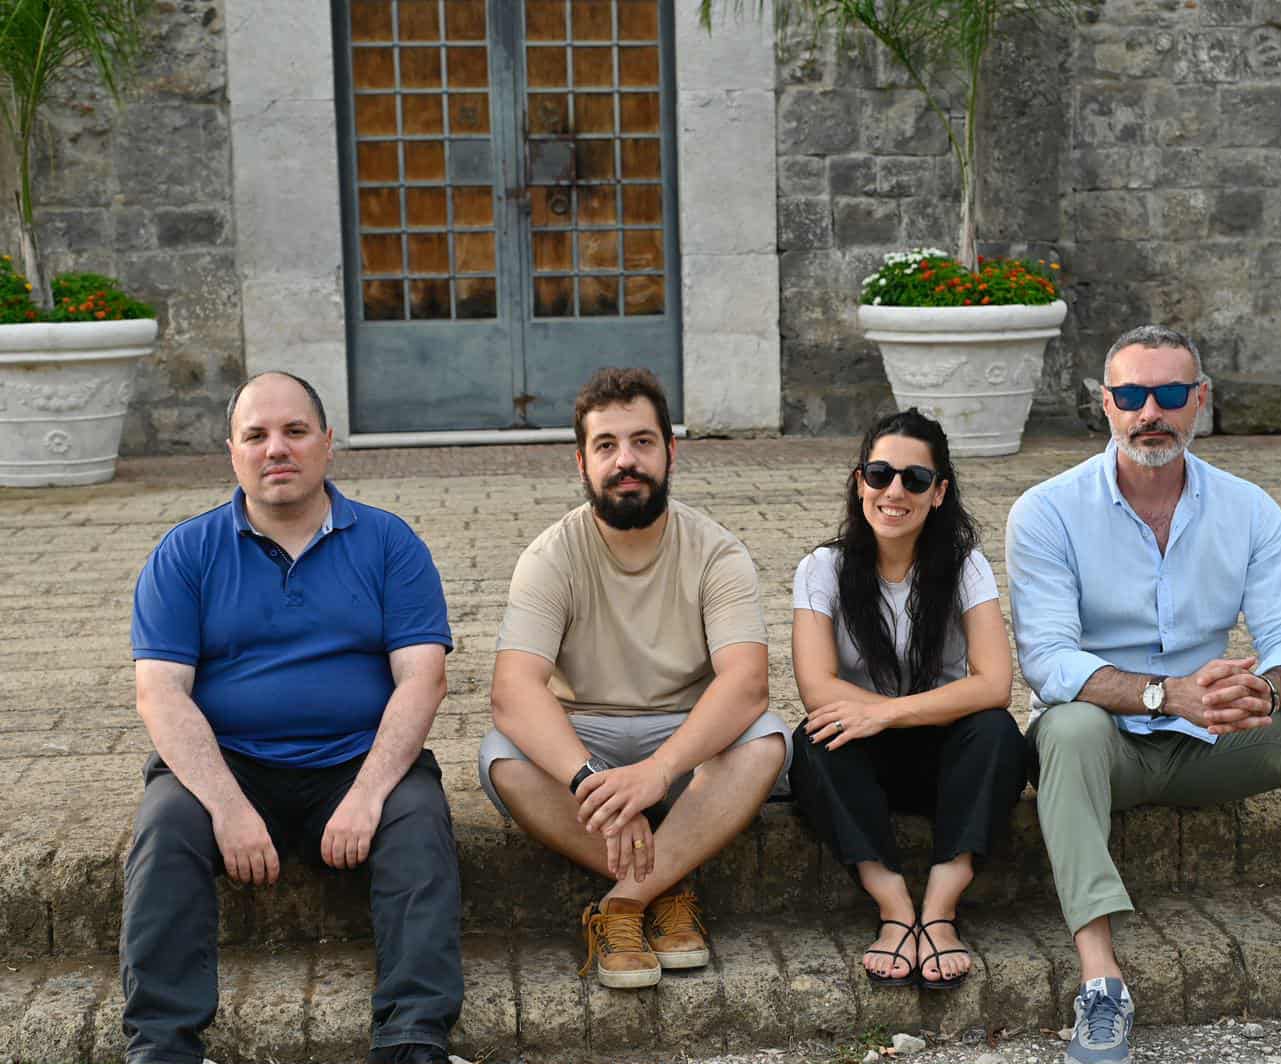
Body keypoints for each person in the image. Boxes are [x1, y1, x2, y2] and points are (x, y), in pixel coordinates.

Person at [1006, 325, 1281, 1064]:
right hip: (1107, 746)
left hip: (1215, 734)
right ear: (1106, 404)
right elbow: (1048, 662)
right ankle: (1101, 984)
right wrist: (1168, 695)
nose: (1150, 412)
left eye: (1170, 393)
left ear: (1200, 400)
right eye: (1131, 395)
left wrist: (1263, 692)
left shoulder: (1248, 508)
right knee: (1068, 727)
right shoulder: (1047, 510)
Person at [125, 372, 462, 1064]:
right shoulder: (185, 553)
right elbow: (160, 694)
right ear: (233, 452)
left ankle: (412, 1039)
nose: (275, 449)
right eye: (256, 435)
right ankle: (162, 1047)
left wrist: (367, 795)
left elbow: (423, 678)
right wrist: (227, 807)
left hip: (357, 759)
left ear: (328, 443)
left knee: (420, 820)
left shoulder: (391, 544)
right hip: (229, 763)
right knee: (164, 826)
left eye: (295, 431)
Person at [479, 367, 790, 990]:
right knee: (502, 756)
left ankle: (621, 904)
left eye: (642, 442)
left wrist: (658, 770)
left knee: (766, 741)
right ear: (582, 462)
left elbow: (746, 683)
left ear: (670, 452)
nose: (626, 460)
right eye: (606, 445)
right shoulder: (551, 555)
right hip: (583, 737)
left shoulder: (717, 551)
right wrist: (590, 780)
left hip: (686, 740)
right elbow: (513, 691)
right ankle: (667, 889)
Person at [788, 409, 1027, 990]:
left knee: (998, 732)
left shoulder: (966, 567)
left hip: (941, 751)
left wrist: (887, 712)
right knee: (811, 741)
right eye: (880, 475)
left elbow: (995, 683)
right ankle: (894, 907)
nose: (894, 492)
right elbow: (816, 686)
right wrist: (873, 718)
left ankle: (940, 910)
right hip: (864, 754)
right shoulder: (823, 568)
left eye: (915, 479)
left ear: (938, 492)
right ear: (859, 482)